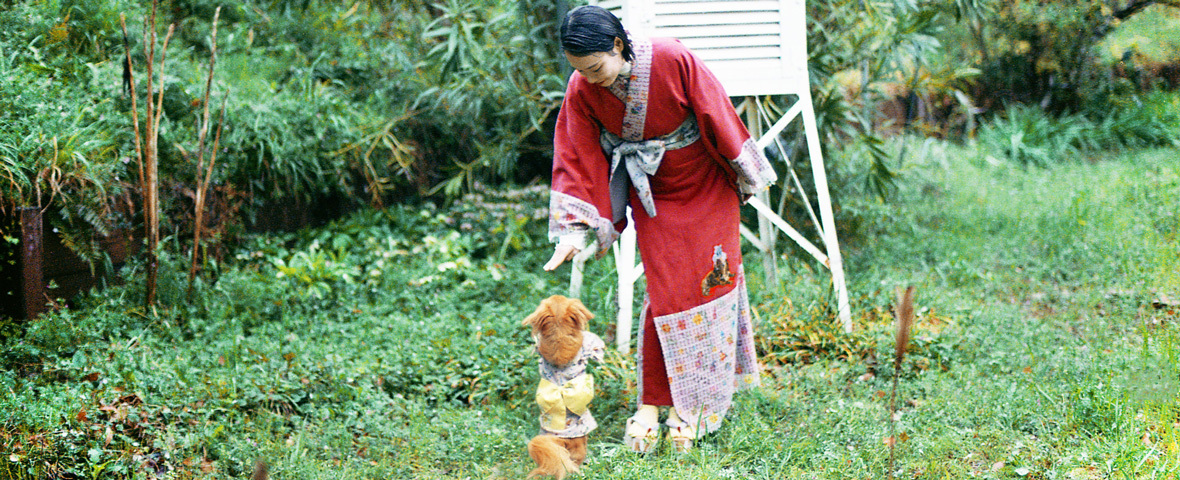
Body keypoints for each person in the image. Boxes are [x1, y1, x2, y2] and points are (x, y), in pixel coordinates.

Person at [542, 5, 778, 453]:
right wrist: (573, 231)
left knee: (711, 287)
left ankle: (689, 407)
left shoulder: (671, 57)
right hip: (653, 192)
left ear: (617, 45)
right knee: (666, 296)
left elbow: (715, 111)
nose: (591, 79)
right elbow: (576, 153)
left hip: (706, 186)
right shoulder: (582, 87)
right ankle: (653, 403)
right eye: (580, 72)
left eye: (596, 68)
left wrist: (745, 172)